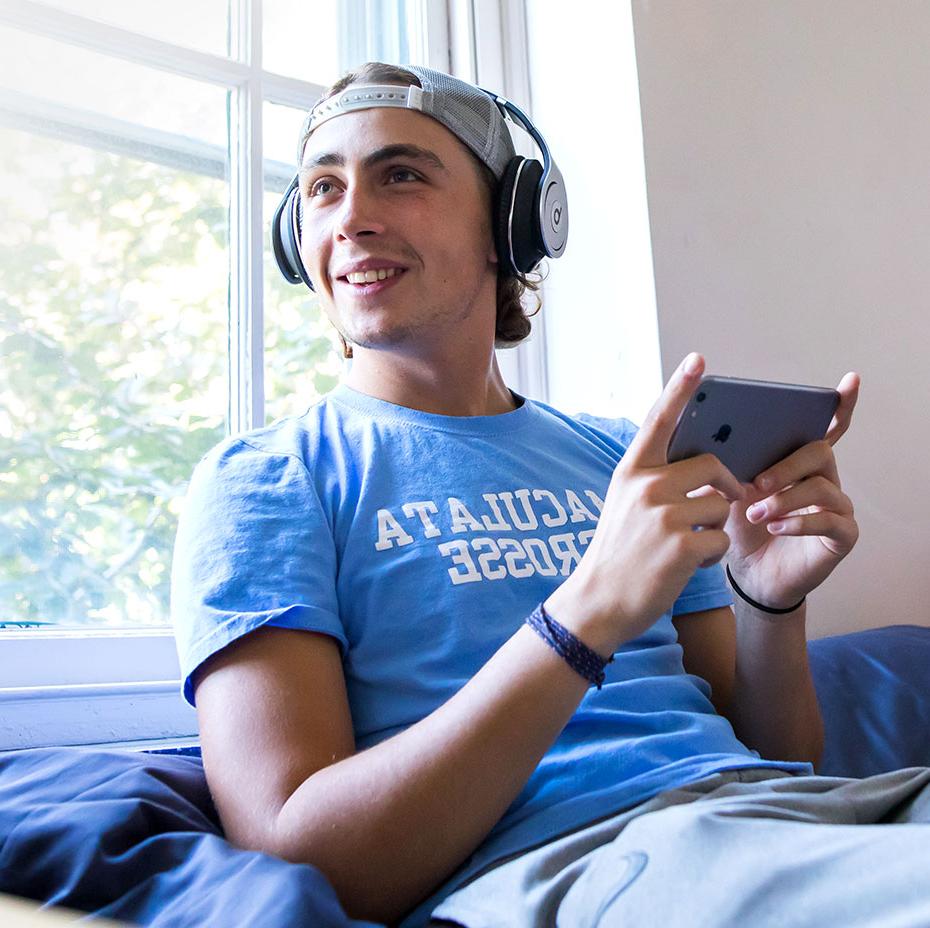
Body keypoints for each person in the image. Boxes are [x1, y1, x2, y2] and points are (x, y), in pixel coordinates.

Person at [170, 63, 929, 928]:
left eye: (402, 174)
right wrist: (586, 612)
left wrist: (768, 601)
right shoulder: (267, 483)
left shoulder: (622, 457)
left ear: (513, 223)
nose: (351, 218)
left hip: (800, 817)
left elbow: (779, 753)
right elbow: (300, 859)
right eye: (321, 189)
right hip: (592, 862)